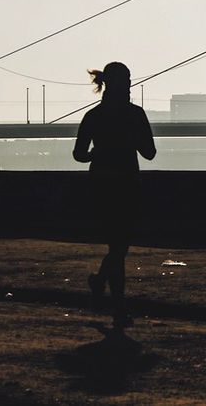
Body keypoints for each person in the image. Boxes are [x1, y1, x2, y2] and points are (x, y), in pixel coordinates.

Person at [72, 61, 156, 329]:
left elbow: (79, 154)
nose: (130, 85)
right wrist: (132, 139)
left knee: (118, 246)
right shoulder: (135, 114)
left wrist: (95, 154)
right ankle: (117, 307)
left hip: (103, 185)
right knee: (119, 246)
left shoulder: (93, 116)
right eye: (127, 80)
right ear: (116, 83)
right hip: (125, 186)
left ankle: (101, 282)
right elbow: (150, 153)